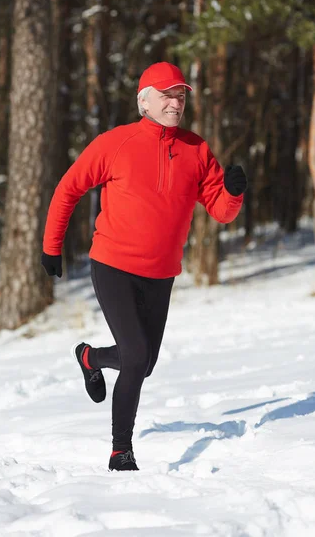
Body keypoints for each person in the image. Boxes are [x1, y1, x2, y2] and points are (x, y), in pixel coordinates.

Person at [41, 62, 247, 472]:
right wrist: (52, 246)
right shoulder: (116, 143)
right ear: (145, 101)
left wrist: (234, 192)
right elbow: (69, 188)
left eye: (181, 96)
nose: (175, 102)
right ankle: (121, 450)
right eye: (167, 95)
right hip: (113, 264)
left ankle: (90, 358)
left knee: (144, 363)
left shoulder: (197, 149)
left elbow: (221, 212)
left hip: (161, 273)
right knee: (136, 355)